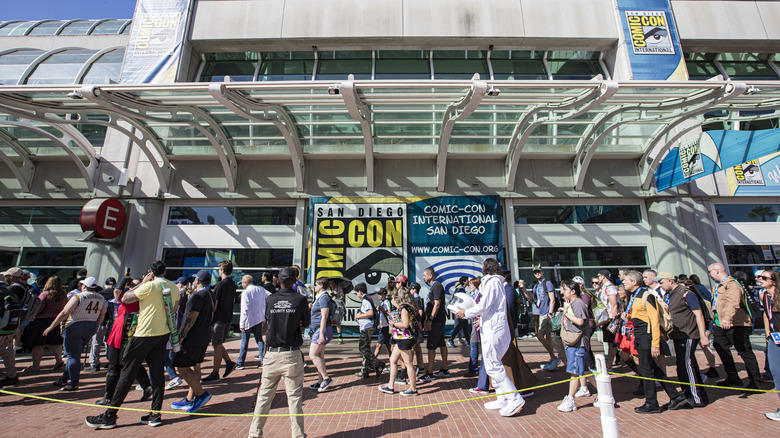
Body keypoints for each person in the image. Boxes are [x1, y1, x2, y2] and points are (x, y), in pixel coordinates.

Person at [85, 260, 179, 429]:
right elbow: (175, 309)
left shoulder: (150, 286)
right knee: (157, 375)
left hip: (144, 333)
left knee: (127, 373)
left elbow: (124, 298)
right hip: (162, 333)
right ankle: (155, 413)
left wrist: (143, 283)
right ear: (165, 271)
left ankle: (110, 415)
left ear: (150, 272)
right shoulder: (173, 287)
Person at [454, 258, 525, 417]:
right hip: (492, 328)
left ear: (487, 268)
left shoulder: (492, 282)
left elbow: (485, 304)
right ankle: (502, 398)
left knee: (493, 364)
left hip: (494, 328)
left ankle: (514, 397)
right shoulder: (492, 282)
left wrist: (466, 313)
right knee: (493, 362)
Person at [248, 266, 310, 438]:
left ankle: (254, 433)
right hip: (291, 353)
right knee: (295, 398)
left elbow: (265, 322)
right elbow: (306, 323)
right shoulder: (300, 300)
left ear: (279, 281)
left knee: (264, 397)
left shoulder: (271, 299)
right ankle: (298, 435)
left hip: (272, 353)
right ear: (294, 281)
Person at [623, 270, 688, 414]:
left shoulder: (646, 295)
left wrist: (655, 343)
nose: (623, 282)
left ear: (634, 282)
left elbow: (654, 320)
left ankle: (651, 402)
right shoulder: (634, 296)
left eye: (626, 280)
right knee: (653, 368)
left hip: (647, 336)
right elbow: (639, 316)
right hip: (639, 335)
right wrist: (627, 316)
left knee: (646, 371)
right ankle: (675, 396)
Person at [95, 276, 153, 406]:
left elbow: (117, 292)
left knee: (114, 367)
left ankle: (108, 396)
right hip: (133, 333)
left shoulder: (131, 299)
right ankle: (147, 387)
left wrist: (126, 279)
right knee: (133, 363)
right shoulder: (147, 299)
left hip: (122, 334)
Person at [44, 277, 106, 391]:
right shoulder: (101, 298)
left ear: (84, 286)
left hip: (75, 325)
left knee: (73, 355)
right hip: (91, 324)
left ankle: (73, 382)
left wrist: (52, 326)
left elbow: (65, 312)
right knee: (74, 354)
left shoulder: (78, 296)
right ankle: (64, 379)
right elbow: (102, 314)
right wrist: (96, 325)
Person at [658, 272, 709, 407]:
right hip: (677, 335)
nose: (660, 285)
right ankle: (690, 393)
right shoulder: (669, 295)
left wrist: (703, 335)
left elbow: (699, 314)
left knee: (687, 364)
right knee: (683, 365)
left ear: (670, 281)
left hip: (689, 334)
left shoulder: (686, 293)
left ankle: (696, 397)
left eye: (661, 282)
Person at [708, 262, 761, 390]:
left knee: (744, 351)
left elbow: (734, 303)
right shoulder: (718, 285)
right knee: (719, 345)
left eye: (710, 271)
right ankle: (732, 376)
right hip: (720, 324)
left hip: (736, 323)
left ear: (717, 271)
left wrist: (727, 318)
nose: (709, 274)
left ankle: (756, 381)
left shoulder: (731, 284)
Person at [170, 270, 215, 413]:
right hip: (204, 336)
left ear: (197, 280)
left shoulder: (198, 297)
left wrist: (182, 335)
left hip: (193, 338)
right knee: (196, 367)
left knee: (182, 367)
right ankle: (190, 398)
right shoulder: (211, 295)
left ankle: (201, 394)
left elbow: (192, 316)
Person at [379, 288, 419, 396]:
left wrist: (394, 325)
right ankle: (390, 385)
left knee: (408, 363)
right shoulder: (407, 307)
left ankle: (413, 388)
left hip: (405, 339)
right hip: (401, 338)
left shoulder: (404, 309)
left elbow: (405, 324)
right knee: (393, 360)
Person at [558, 280, 590, 412]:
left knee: (574, 372)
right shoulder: (572, 303)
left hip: (577, 343)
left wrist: (566, 313)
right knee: (584, 370)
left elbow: (580, 321)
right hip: (572, 343)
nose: (562, 292)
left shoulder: (578, 304)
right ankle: (603, 392)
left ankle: (570, 399)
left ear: (573, 291)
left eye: (564, 289)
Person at [203, 260, 237, 383]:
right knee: (218, 343)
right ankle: (228, 362)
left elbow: (214, 304)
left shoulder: (220, 285)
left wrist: (209, 318)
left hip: (219, 319)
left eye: (219, 269)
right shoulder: (232, 284)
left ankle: (215, 372)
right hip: (228, 317)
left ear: (222, 271)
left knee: (216, 344)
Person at [24, 276, 66, 373]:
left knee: (38, 344)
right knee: (54, 343)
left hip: (41, 321)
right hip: (56, 320)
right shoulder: (63, 295)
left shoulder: (45, 294)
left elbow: (39, 308)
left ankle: (35, 365)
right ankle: (59, 360)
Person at [533, 267, 565, 371]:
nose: (537, 274)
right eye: (535, 272)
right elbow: (532, 298)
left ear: (542, 272)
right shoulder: (537, 285)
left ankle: (554, 358)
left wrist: (550, 313)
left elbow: (552, 299)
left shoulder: (547, 283)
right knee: (548, 337)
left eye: (539, 272)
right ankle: (552, 359)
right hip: (541, 312)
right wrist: (523, 289)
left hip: (547, 313)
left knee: (540, 335)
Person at [420, 267, 448, 382]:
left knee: (431, 346)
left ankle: (429, 372)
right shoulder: (434, 287)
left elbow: (437, 304)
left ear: (430, 276)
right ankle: (445, 369)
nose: (423, 277)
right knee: (441, 343)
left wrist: (430, 319)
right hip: (438, 320)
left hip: (436, 321)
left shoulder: (436, 286)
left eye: (424, 275)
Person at [759, 270, 780, 421]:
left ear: (773, 281)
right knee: (775, 372)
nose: (760, 279)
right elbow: (766, 313)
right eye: (760, 277)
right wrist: (767, 330)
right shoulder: (763, 295)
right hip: (774, 337)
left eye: (765, 278)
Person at [237, 274, 268, 370]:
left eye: (242, 282)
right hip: (258, 318)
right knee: (259, 340)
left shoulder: (246, 293)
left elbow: (244, 309)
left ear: (245, 283)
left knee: (244, 342)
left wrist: (242, 324)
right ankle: (264, 360)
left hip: (248, 320)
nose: (241, 284)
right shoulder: (260, 289)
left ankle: (240, 362)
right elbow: (270, 295)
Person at [308, 278, 334, 392]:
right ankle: (320, 381)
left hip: (320, 330)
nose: (314, 287)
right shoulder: (319, 298)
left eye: (315, 285)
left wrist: (321, 334)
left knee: (312, 355)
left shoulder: (324, 298)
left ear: (321, 285)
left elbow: (324, 316)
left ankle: (326, 378)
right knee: (319, 356)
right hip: (318, 329)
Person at [355, 283, 385, 377]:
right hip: (367, 326)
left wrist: (359, 316)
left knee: (363, 348)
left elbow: (370, 313)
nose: (357, 295)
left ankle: (378, 364)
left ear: (360, 292)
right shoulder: (368, 299)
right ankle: (365, 370)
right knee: (366, 348)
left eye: (357, 293)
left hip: (366, 327)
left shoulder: (366, 300)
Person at [409, 282, 426, 374]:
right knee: (417, 348)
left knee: (412, 347)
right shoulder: (417, 299)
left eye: (411, 289)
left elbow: (420, 312)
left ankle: (411, 368)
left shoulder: (417, 299)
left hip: (415, 327)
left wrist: (415, 318)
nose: (410, 291)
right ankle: (421, 366)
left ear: (414, 289)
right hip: (417, 327)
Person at [448, 276, 471, 347]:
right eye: (467, 280)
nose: (468, 281)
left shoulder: (461, 289)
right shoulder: (461, 289)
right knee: (460, 326)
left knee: (465, 327)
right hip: (460, 311)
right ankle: (451, 339)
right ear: (464, 281)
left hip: (461, 311)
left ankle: (468, 342)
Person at [373, 288, 393, 361]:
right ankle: (392, 361)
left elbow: (389, 313)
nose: (379, 296)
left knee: (379, 345)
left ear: (384, 294)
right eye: (378, 294)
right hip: (383, 326)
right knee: (388, 346)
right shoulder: (382, 302)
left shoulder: (386, 302)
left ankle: (372, 362)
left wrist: (382, 310)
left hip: (385, 327)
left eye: (380, 294)